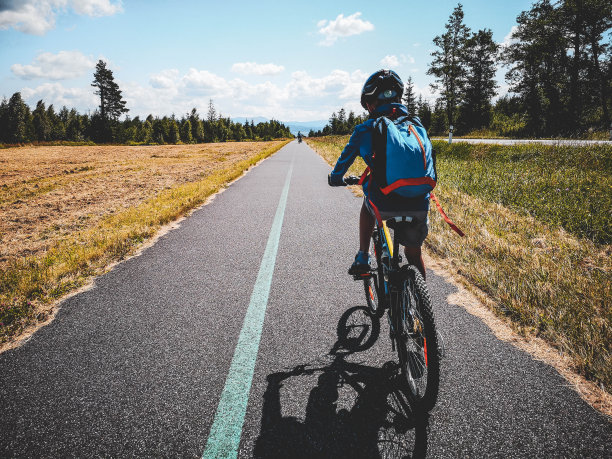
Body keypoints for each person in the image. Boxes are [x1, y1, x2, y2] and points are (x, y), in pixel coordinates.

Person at [328, 70, 429, 279]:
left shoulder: (365, 130)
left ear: (369, 104)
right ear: (399, 98)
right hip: (419, 202)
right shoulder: (416, 125)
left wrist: (336, 179)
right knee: (414, 253)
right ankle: (421, 307)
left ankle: (363, 257)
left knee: (367, 204)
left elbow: (342, 163)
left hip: (383, 203)